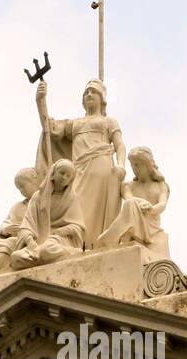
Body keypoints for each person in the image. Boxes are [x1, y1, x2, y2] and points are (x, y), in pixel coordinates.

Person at [35, 78, 125, 245]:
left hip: (101, 168)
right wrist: (40, 100)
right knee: (76, 207)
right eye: (86, 93)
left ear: (102, 99)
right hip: (79, 171)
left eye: (93, 92)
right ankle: (77, 244)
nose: (89, 95)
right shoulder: (75, 124)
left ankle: (94, 244)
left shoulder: (108, 121)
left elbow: (120, 146)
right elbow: (49, 128)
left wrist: (121, 165)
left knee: (98, 209)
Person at [94, 146, 170, 260]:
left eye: (137, 165)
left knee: (131, 204)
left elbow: (163, 205)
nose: (134, 168)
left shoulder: (161, 186)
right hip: (134, 219)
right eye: (132, 165)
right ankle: (113, 237)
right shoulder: (129, 186)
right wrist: (142, 203)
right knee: (130, 204)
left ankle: (110, 238)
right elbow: (129, 199)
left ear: (148, 165)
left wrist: (151, 209)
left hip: (151, 224)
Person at [9, 159, 85, 270]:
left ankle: (72, 252)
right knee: (16, 257)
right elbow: (27, 224)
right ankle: (41, 257)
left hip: (60, 239)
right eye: (62, 173)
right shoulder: (38, 197)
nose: (64, 178)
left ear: (71, 180)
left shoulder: (72, 199)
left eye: (68, 176)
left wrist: (60, 231)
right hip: (38, 241)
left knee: (47, 250)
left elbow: (77, 227)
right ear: (53, 174)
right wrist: (30, 242)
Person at [0, 167, 41, 273]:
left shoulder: (41, 202)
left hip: (27, 237)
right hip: (11, 236)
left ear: (33, 180)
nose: (21, 191)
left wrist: (23, 230)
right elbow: (5, 223)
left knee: (12, 242)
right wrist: (7, 229)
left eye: (23, 186)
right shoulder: (18, 206)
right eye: (19, 188)